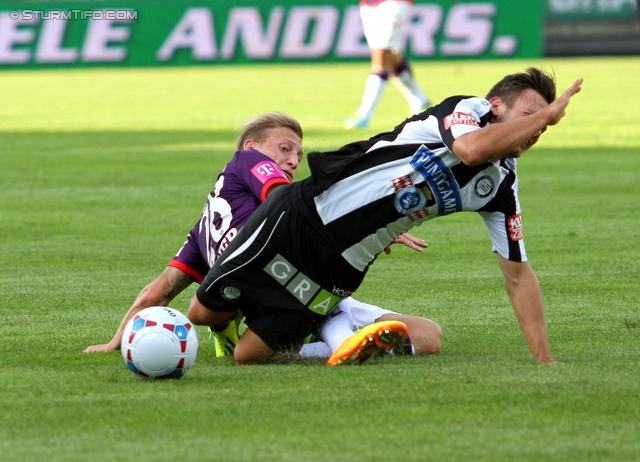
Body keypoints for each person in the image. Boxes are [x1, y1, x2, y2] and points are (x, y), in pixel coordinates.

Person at [188, 68, 583, 366]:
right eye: (528, 116)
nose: (534, 132)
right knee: (202, 313)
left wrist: (543, 359)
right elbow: (470, 150)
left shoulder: (499, 187)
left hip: (341, 269)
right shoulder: (466, 111)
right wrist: (545, 116)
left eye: (541, 126)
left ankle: (344, 342)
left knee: (249, 356)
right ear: (495, 106)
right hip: (303, 216)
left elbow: (517, 274)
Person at [84, 112, 442, 365]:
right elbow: (286, 203)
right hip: (282, 296)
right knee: (243, 352)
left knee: (428, 338)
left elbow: (159, 290)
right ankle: (340, 334)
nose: (293, 160)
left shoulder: (206, 229)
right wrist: (116, 343)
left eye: (299, 155)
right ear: (252, 146)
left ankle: (346, 338)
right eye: (285, 148)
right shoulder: (247, 162)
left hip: (303, 288)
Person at [344, 0, 430, 130]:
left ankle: (364, 114)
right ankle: (420, 101)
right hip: (369, 4)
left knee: (381, 56)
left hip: (394, 3)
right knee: (389, 55)